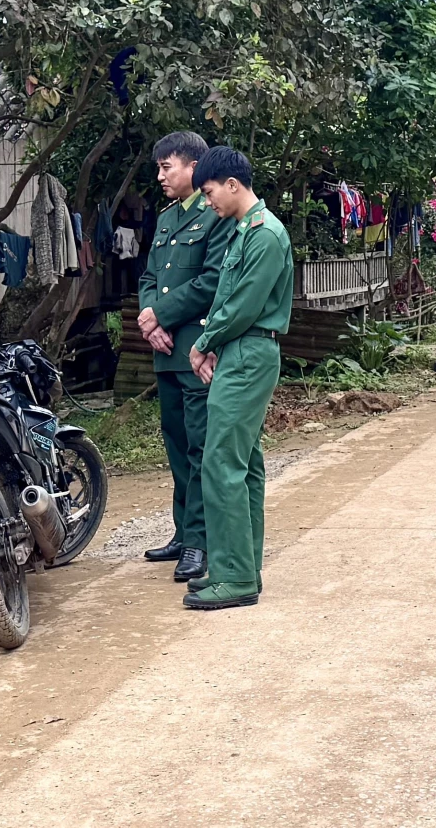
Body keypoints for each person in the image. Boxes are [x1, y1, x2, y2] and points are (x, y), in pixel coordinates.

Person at [183, 146, 294, 611]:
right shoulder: (245, 231)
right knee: (243, 463)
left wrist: (204, 341)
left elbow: (244, 304)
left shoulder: (264, 234)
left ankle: (235, 576)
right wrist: (215, 343)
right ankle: (241, 568)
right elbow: (230, 301)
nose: (208, 201)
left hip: (249, 351)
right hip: (240, 350)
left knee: (221, 463)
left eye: (210, 192)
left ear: (232, 184)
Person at [135, 130, 236, 586]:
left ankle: (200, 540)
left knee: (199, 446)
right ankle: (183, 532)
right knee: (176, 444)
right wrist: (149, 318)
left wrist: (162, 314)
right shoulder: (167, 218)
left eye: (166, 167)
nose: (160, 176)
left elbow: (212, 281)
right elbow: (150, 276)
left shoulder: (216, 216)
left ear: (193, 167)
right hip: (165, 350)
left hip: (197, 349)